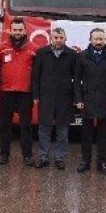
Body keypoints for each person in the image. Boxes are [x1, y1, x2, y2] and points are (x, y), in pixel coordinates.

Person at [74, 28, 106, 174]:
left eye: (101, 39)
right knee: (86, 134)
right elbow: (76, 80)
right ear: (90, 40)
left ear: (105, 40)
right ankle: (85, 162)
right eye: (96, 39)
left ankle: (102, 163)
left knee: (103, 135)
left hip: (105, 101)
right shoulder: (82, 56)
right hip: (87, 100)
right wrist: (78, 99)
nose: (99, 42)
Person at [0, 17, 38, 166]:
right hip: (7, 92)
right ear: (10, 30)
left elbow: (36, 73)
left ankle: (27, 156)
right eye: (15, 30)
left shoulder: (33, 49)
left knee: (26, 126)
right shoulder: (1, 48)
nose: (17, 32)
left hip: (25, 93)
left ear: (25, 30)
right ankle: (4, 155)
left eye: (20, 30)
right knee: (5, 126)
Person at [32, 28, 76, 170]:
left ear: (65, 38)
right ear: (51, 38)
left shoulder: (72, 54)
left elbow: (76, 78)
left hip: (65, 97)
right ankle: (44, 156)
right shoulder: (42, 53)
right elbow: (35, 76)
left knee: (62, 130)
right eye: (55, 37)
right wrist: (36, 95)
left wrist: (75, 97)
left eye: (61, 37)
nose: (58, 40)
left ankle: (59, 157)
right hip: (46, 96)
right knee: (44, 129)